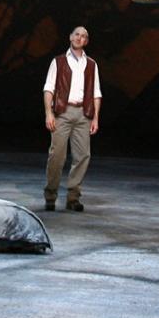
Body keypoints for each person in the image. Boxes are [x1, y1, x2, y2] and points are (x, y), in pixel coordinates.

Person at [42, 26, 102, 212]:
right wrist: (49, 113)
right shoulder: (58, 61)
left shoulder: (91, 64)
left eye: (83, 36)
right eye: (76, 34)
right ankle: (50, 195)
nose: (79, 38)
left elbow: (96, 93)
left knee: (83, 156)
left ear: (86, 41)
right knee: (57, 156)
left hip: (83, 114)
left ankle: (73, 197)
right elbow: (49, 88)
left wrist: (95, 118)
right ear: (70, 37)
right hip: (63, 112)